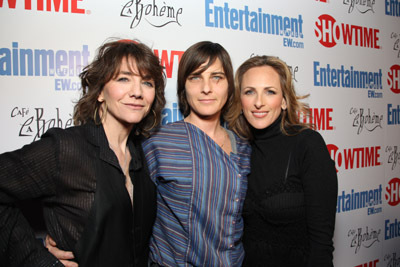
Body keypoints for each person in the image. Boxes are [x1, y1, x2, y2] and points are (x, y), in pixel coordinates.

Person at [0, 39, 166, 267]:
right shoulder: (67, 149)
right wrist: (37, 259)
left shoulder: (143, 155)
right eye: (124, 78)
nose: (137, 92)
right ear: (99, 92)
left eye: (147, 83)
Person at [142, 41, 251, 266]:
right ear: (184, 87)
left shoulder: (244, 147)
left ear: (229, 85)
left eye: (217, 77)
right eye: (195, 77)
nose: (206, 88)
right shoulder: (159, 143)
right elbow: (126, 214)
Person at [231, 55, 338, 267]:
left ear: (284, 100)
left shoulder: (307, 145)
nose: (258, 102)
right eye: (249, 91)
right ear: (240, 100)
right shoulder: (236, 149)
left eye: (270, 92)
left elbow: (321, 245)